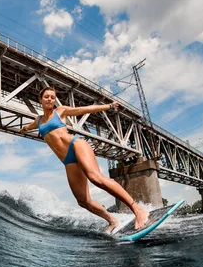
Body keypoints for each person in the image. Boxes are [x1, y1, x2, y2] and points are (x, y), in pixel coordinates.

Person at [19, 87, 149, 233]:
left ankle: (137, 210)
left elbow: (86, 109)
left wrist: (109, 106)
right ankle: (112, 220)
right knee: (83, 201)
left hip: (76, 145)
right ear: (40, 99)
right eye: (46, 97)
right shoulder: (38, 120)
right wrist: (23, 129)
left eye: (52, 97)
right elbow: (28, 127)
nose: (50, 99)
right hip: (68, 161)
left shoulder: (60, 111)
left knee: (95, 177)